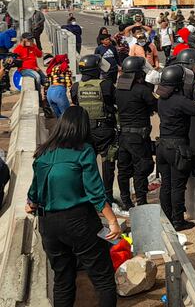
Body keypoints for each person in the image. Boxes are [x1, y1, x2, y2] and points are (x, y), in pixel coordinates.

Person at [26, 106, 119, 307]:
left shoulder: (43, 152)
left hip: (48, 224)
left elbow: (33, 193)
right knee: (102, 277)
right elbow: (95, 192)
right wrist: (112, 221)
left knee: (62, 279)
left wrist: (31, 204)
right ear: (84, 127)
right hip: (79, 221)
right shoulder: (83, 151)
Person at [155, 65, 195, 231]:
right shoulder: (180, 101)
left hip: (162, 145)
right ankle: (178, 220)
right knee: (177, 186)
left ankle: (167, 218)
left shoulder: (161, 99)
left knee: (166, 185)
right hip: (177, 147)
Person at [71, 55, 118, 206]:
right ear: (95, 70)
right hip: (104, 129)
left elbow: (75, 103)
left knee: (86, 164)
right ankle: (108, 197)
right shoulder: (106, 85)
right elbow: (115, 102)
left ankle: (88, 196)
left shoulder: (76, 86)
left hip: (84, 131)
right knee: (108, 162)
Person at [115, 56, 157, 209]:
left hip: (123, 135)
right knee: (142, 166)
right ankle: (141, 200)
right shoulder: (142, 90)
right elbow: (155, 106)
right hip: (139, 136)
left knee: (124, 169)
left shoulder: (118, 90)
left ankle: (126, 201)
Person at [45, 54, 73, 118]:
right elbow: (68, 81)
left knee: (59, 117)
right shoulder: (64, 67)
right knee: (66, 116)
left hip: (50, 92)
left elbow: (46, 83)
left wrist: (45, 95)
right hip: (59, 92)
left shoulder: (51, 68)